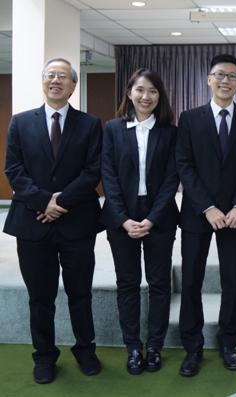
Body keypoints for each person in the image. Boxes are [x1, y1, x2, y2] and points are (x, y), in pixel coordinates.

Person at [4, 58, 103, 384]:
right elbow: (14, 170)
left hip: (77, 221)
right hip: (32, 223)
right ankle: (44, 356)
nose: (56, 80)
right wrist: (43, 200)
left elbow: (92, 171)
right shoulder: (20, 122)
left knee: (81, 293)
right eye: (50, 75)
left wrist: (59, 201)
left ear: (73, 85)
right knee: (40, 296)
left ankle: (85, 350)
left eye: (63, 76)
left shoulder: (89, 124)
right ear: (43, 82)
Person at [176, 54, 236, 376]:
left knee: (231, 283)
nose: (225, 81)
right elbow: (184, 165)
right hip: (198, 214)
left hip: (235, 215)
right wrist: (207, 207)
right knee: (192, 282)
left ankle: (228, 343)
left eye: (232, 77)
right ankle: (192, 347)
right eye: (219, 75)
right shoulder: (190, 118)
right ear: (209, 79)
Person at [99, 68, 179, 375]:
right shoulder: (113, 129)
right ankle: (133, 347)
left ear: (160, 97)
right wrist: (122, 219)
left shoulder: (170, 131)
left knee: (159, 284)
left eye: (153, 91)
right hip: (121, 215)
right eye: (140, 90)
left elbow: (173, 178)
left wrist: (152, 218)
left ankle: (155, 346)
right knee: (128, 283)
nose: (146, 97)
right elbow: (108, 175)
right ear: (130, 93)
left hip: (159, 215)